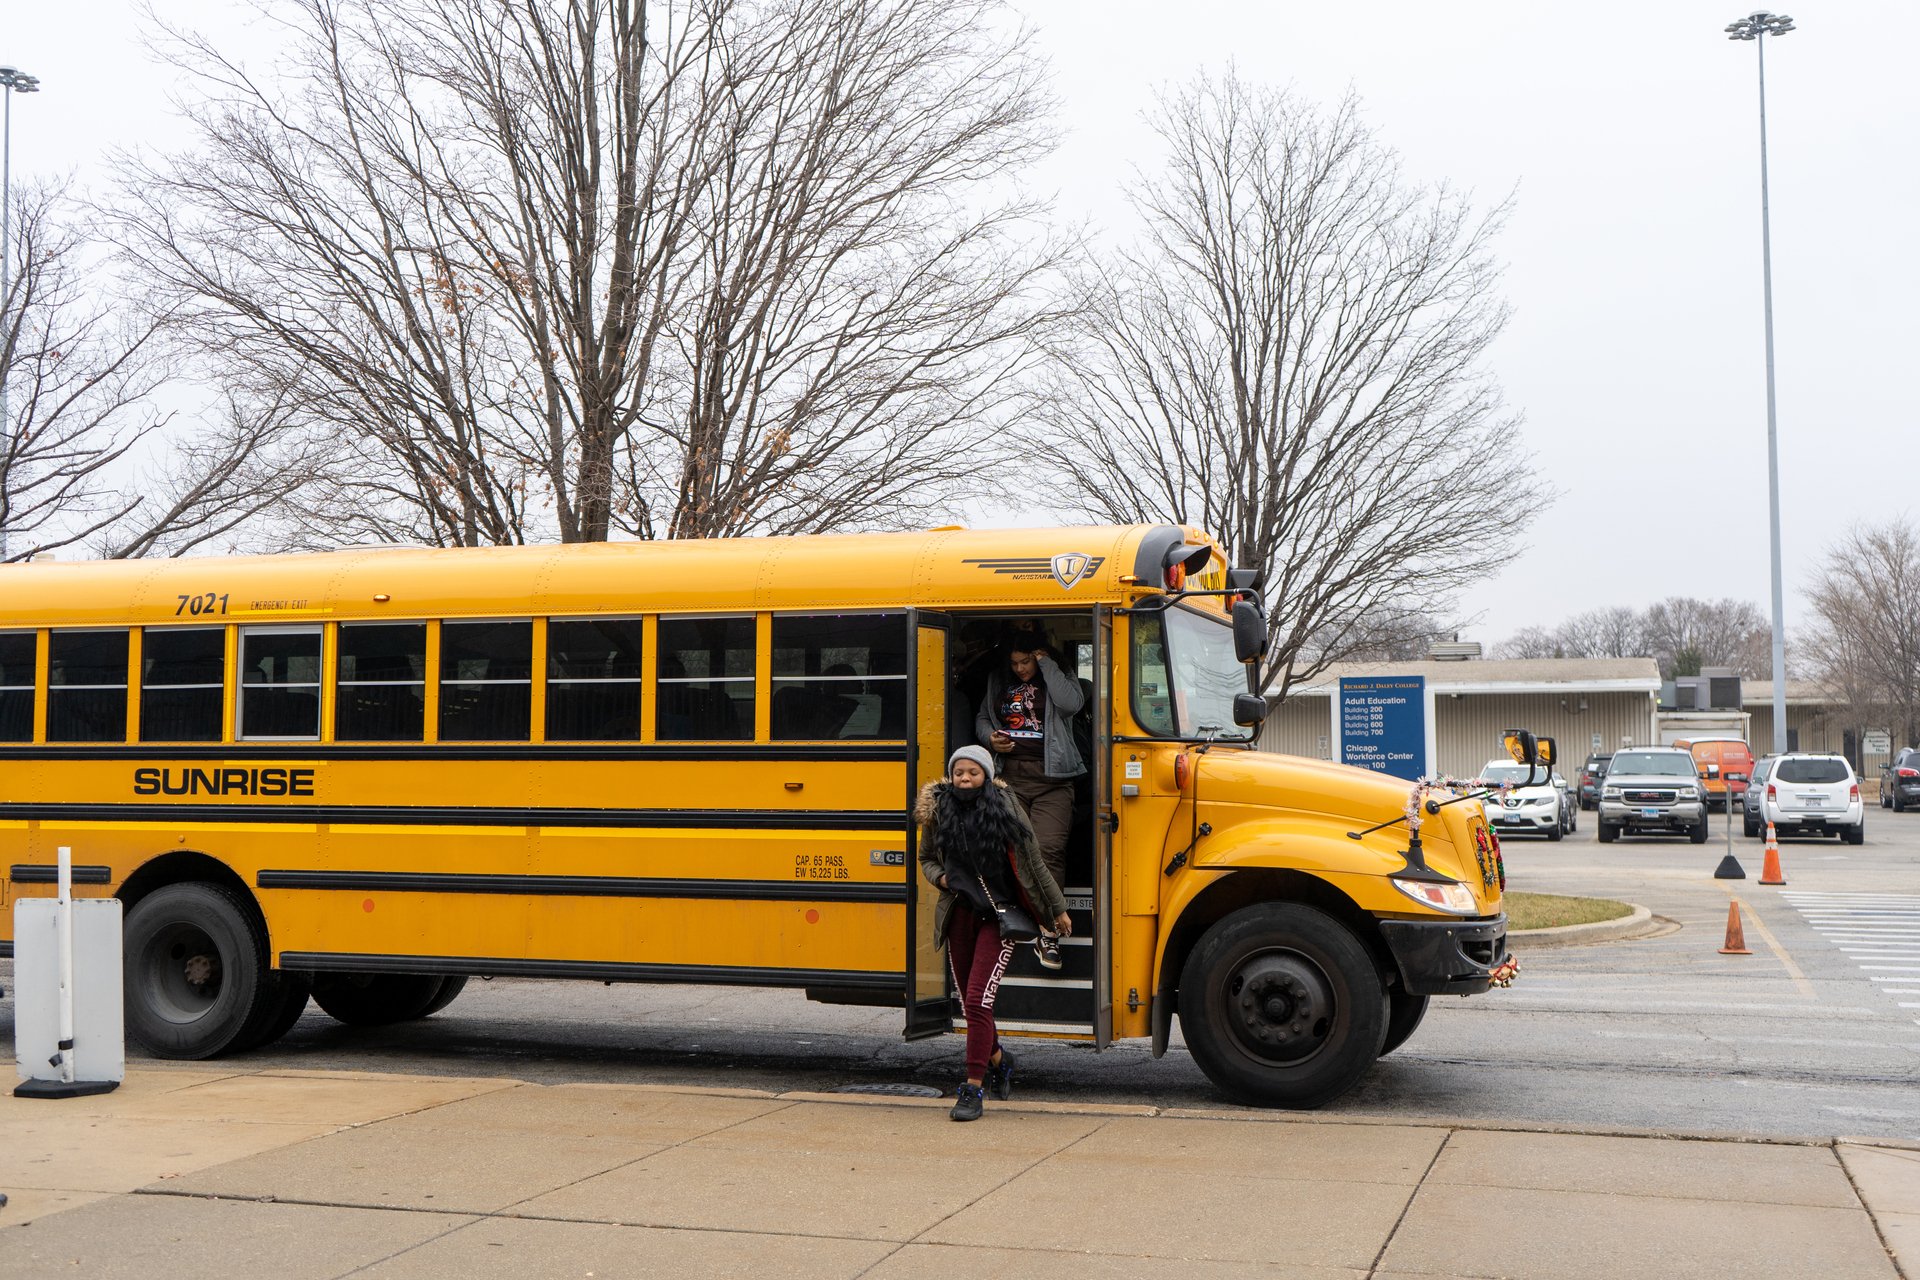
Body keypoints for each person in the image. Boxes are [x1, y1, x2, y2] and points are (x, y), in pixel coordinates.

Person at [915, 744, 1071, 1122]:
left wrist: (1058, 909)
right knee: (972, 1006)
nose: (965, 779)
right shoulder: (938, 811)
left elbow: (1034, 862)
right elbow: (926, 859)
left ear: (986, 774)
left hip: (999, 919)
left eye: (972, 772)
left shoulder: (1005, 809)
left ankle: (972, 1088)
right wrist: (943, 877)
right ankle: (1001, 1060)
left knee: (978, 1003)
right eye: (959, 773)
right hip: (959, 916)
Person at [975, 629, 1084, 969]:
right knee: (1011, 851)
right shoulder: (998, 681)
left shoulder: (1059, 676)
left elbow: (1071, 705)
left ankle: (1048, 934)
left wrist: (1047, 664)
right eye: (1015, 663)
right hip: (1010, 778)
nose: (1021, 669)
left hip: (1054, 779)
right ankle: (1013, 920)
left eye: (1026, 661)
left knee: (1048, 849)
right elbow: (981, 720)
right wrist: (990, 740)